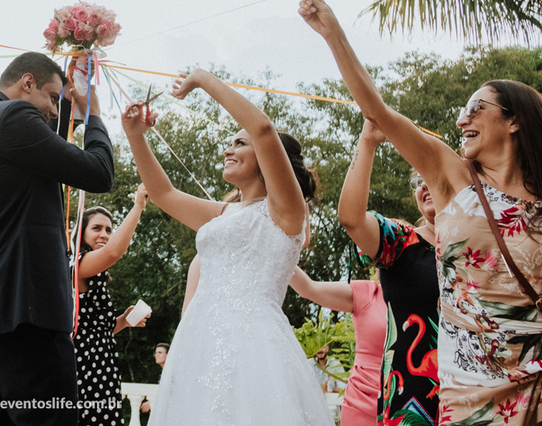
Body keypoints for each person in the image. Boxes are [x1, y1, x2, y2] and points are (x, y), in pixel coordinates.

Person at [299, 0, 542, 426]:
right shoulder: (451, 178)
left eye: (475, 108)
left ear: (514, 120)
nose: (461, 119)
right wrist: (333, 34)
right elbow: (377, 110)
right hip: (470, 390)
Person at [121, 67, 332, 426]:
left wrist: (202, 79)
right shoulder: (224, 212)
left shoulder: (286, 210)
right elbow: (163, 194)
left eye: (239, 143)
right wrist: (136, 136)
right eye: (231, 142)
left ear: (267, 156)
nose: (228, 149)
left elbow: (263, 130)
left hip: (253, 342)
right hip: (199, 338)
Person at [0, 52, 114, 426]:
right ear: (27, 82)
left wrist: (69, 97)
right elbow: (99, 173)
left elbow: (44, 150)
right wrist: (94, 114)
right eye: (53, 98)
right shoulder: (14, 117)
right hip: (24, 309)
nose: (55, 111)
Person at [338, 120, 439, 425]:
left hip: (481, 390)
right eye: (417, 181)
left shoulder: (484, 245)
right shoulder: (400, 241)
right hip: (411, 399)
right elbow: (352, 220)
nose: (423, 185)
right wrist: (368, 142)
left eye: (432, 175)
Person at [72, 186, 151, 424]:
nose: (104, 234)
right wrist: (138, 205)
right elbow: (115, 251)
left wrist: (123, 321)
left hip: (103, 365)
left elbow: (96, 330)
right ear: (82, 232)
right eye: (96, 228)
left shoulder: (99, 275)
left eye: (109, 229)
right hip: (82, 366)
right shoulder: (77, 265)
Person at [288, 268, 384, 424]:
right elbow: (308, 288)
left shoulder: (425, 299)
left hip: (410, 402)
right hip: (363, 405)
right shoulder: (367, 293)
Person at [138, 343, 168, 414]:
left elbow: (170, 392)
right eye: (156, 353)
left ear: (168, 355)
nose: (156, 355)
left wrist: (153, 401)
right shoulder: (163, 372)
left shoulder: (171, 372)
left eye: (160, 352)